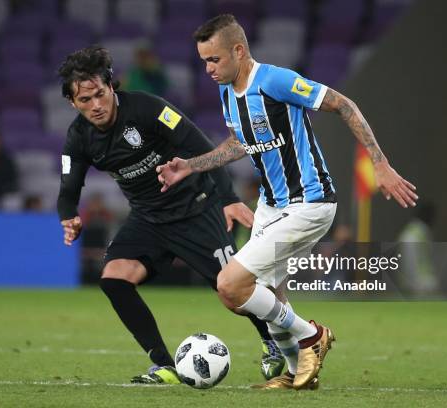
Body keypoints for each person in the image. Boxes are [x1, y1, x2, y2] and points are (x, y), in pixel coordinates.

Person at [157, 14, 419, 390]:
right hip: (271, 204)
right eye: (204, 62)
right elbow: (239, 143)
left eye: (214, 60)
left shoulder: (275, 81)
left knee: (230, 284)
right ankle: (300, 374)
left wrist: (380, 163)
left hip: (309, 202)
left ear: (238, 50)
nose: (208, 69)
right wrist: (190, 167)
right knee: (257, 297)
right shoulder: (227, 89)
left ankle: (312, 335)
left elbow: (344, 105)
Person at [56, 46, 285, 384]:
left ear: (111, 87)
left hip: (196, 207)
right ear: (72, 103)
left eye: (100, 95)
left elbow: (202, 147)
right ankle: (164, 365)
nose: (96, 105)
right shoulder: (78, 137)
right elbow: (68, 186)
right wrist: (69, 216)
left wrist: (228, 198)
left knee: (233, 294)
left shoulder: (148, 109)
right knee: (114, 279)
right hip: (148, 218)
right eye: (85, 100)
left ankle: (274, 341)